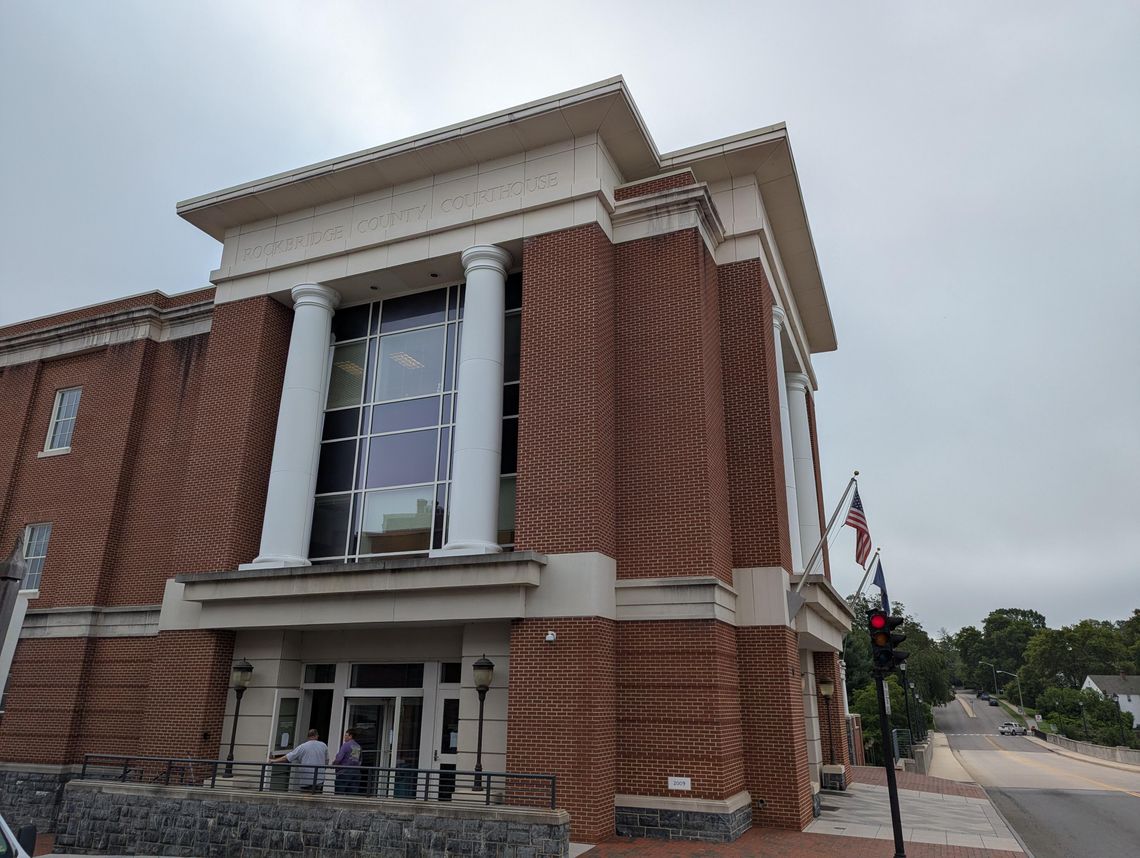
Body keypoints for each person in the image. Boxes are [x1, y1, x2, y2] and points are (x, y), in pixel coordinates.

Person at [333, 728, 364, 795]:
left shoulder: (346, 745)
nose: (345, 737)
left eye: (346, 735)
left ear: (350, 736)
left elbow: (339, 758)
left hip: (344, 772)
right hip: (356, 773)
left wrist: (334, 764)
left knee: (339, 794)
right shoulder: (358, 747)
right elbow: (360, 761)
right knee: (351, 795)